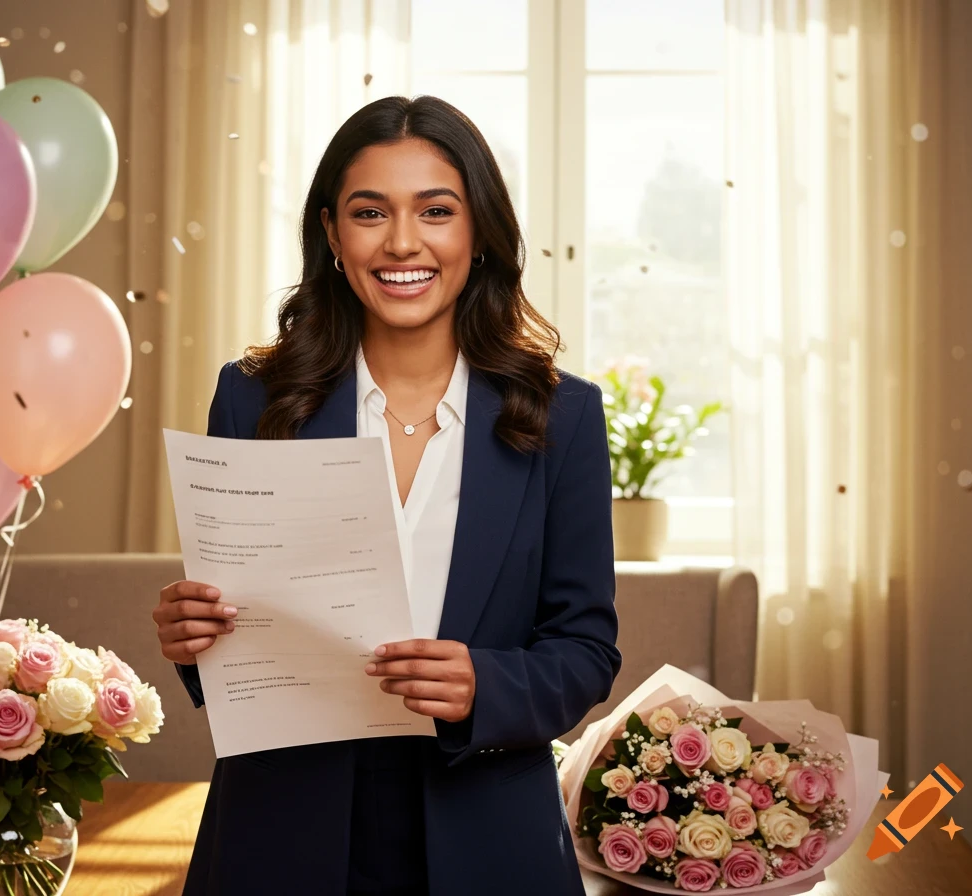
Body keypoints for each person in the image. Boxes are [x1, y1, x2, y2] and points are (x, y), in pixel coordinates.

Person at [153, 95, 621, 896]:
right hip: (282, 832)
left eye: (436, 210)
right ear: (333, 234)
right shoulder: (250, 399)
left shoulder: (562, 415)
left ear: (479, 231)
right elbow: (235, 651)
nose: (403, 242)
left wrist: (486, 685)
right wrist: (192, 636)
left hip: (488, 832)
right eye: (371, 212)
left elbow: (584, 648)